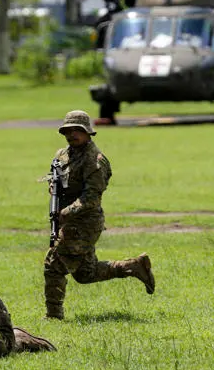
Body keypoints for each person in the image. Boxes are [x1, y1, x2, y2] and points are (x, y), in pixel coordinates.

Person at [43, 110, 155, 320]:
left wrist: (65, 213)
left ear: (87, 132)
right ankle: (133, 267)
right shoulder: (63, 155)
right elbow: (55, 177)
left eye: (77, 130)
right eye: (68, 130)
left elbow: (91, 198)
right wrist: (52, 184)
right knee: (86, 274)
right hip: (69, 222)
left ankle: (53, 316)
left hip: (85, 224)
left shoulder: (95, 160)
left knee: (54, 265)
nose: (72, 134)